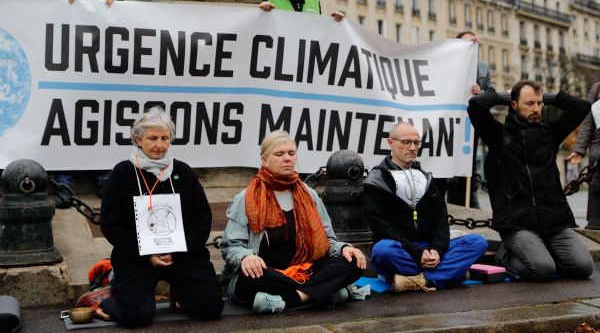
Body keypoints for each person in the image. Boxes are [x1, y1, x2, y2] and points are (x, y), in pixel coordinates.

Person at [98, 107, 223, 327]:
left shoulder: (183, 172)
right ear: (138, 139)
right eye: (153, 138)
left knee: (211, 308)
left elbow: (202, 218)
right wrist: (145, 254)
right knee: (136, 317)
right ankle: (104, 296)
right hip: (137, 256)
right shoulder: (122, 174)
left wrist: (179, 252)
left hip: (182, 254)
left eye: (165, 138)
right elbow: (110, 222)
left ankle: (185, 293)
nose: (159, 145)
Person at [220, 130, 366, 313]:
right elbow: (231, 246)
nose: (287, 158)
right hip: (269, 273)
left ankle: (291, 299)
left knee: (353, 262)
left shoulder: (309, 194)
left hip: (307, 270)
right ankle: (324, 293)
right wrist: (245, 256)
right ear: (265, 160)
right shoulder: (247, 198)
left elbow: (328, 242)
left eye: (291, 153)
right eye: (279, 154)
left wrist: (344, 248)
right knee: (248, 279)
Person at [468, 80, 594, 281]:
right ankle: (506, 256)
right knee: (542, 269)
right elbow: (477, 105)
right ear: (514, 104)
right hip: (517, 223)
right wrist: (503, 95)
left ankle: (543, 253)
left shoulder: (550, 133)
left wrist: (546, 96)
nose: (536, 108)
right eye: (529, 103)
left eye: (539, 103)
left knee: (584, 267)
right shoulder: (498, 135)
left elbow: (583, 106)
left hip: (554, 220)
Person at [45, 0, 124, 207]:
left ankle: (104, 177)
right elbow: (42, 25)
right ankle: (63, 181)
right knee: (66, 121)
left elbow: (131, 27)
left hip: (103, 72)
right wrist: (58, 9)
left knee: (101, 121)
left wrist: (118, 11)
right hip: (68, 71)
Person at [360, 122, 487, 292]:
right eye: (406, 142)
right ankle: (449, 274)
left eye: (416, 143)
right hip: (403, 251)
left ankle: (422, 279)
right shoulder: (376, 181)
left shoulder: (425, 178)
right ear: (390, 142)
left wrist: (437, 250)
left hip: (429, 249)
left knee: (477, 242)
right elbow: (383, 229)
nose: (412, 147)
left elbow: (440, 220)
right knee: (383, 251)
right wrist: (417, 253)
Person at [443, 31, 494, 208]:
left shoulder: (482, 67)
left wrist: (481, 94)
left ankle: (469, 196)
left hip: (471, 123)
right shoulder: (447, 63)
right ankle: (450, 197)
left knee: (468, 160)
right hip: (449, 121)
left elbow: (492, 92)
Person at [568, 81, 600, 230]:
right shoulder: (597, 88)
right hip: (598, 150)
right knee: (596, 185)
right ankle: (595, 222)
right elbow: (588, 122)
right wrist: (579, 149)